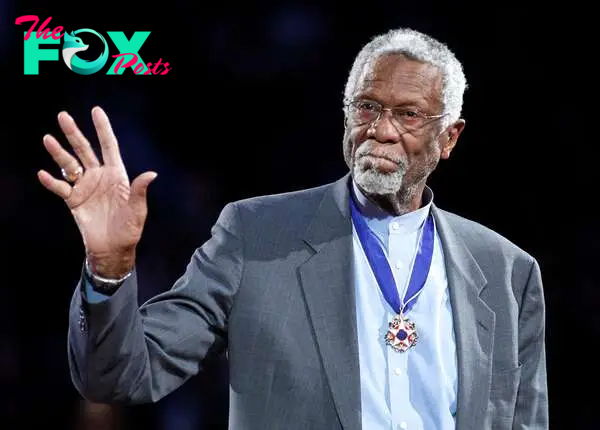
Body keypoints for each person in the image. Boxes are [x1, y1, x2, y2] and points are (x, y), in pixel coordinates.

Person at [38, 27, 548, 429]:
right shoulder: (256, 235)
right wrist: (109, 269)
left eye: (408, 115)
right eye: (366, 107)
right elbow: (122, 377)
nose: (381, 130)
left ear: (449, 137)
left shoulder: (507, 271)